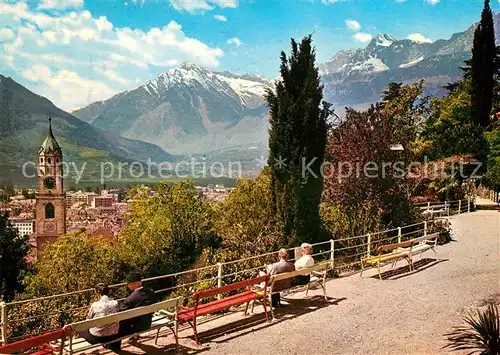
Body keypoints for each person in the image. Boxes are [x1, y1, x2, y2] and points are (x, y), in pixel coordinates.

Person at [108, 271, 157, 351]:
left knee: (117, 322)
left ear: (133, 283)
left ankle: (114, 346)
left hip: (136, 327)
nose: (128, 286)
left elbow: (119, 313)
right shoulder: (151, 292)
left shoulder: (131, 299)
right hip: (147, 323)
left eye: (128, 284)